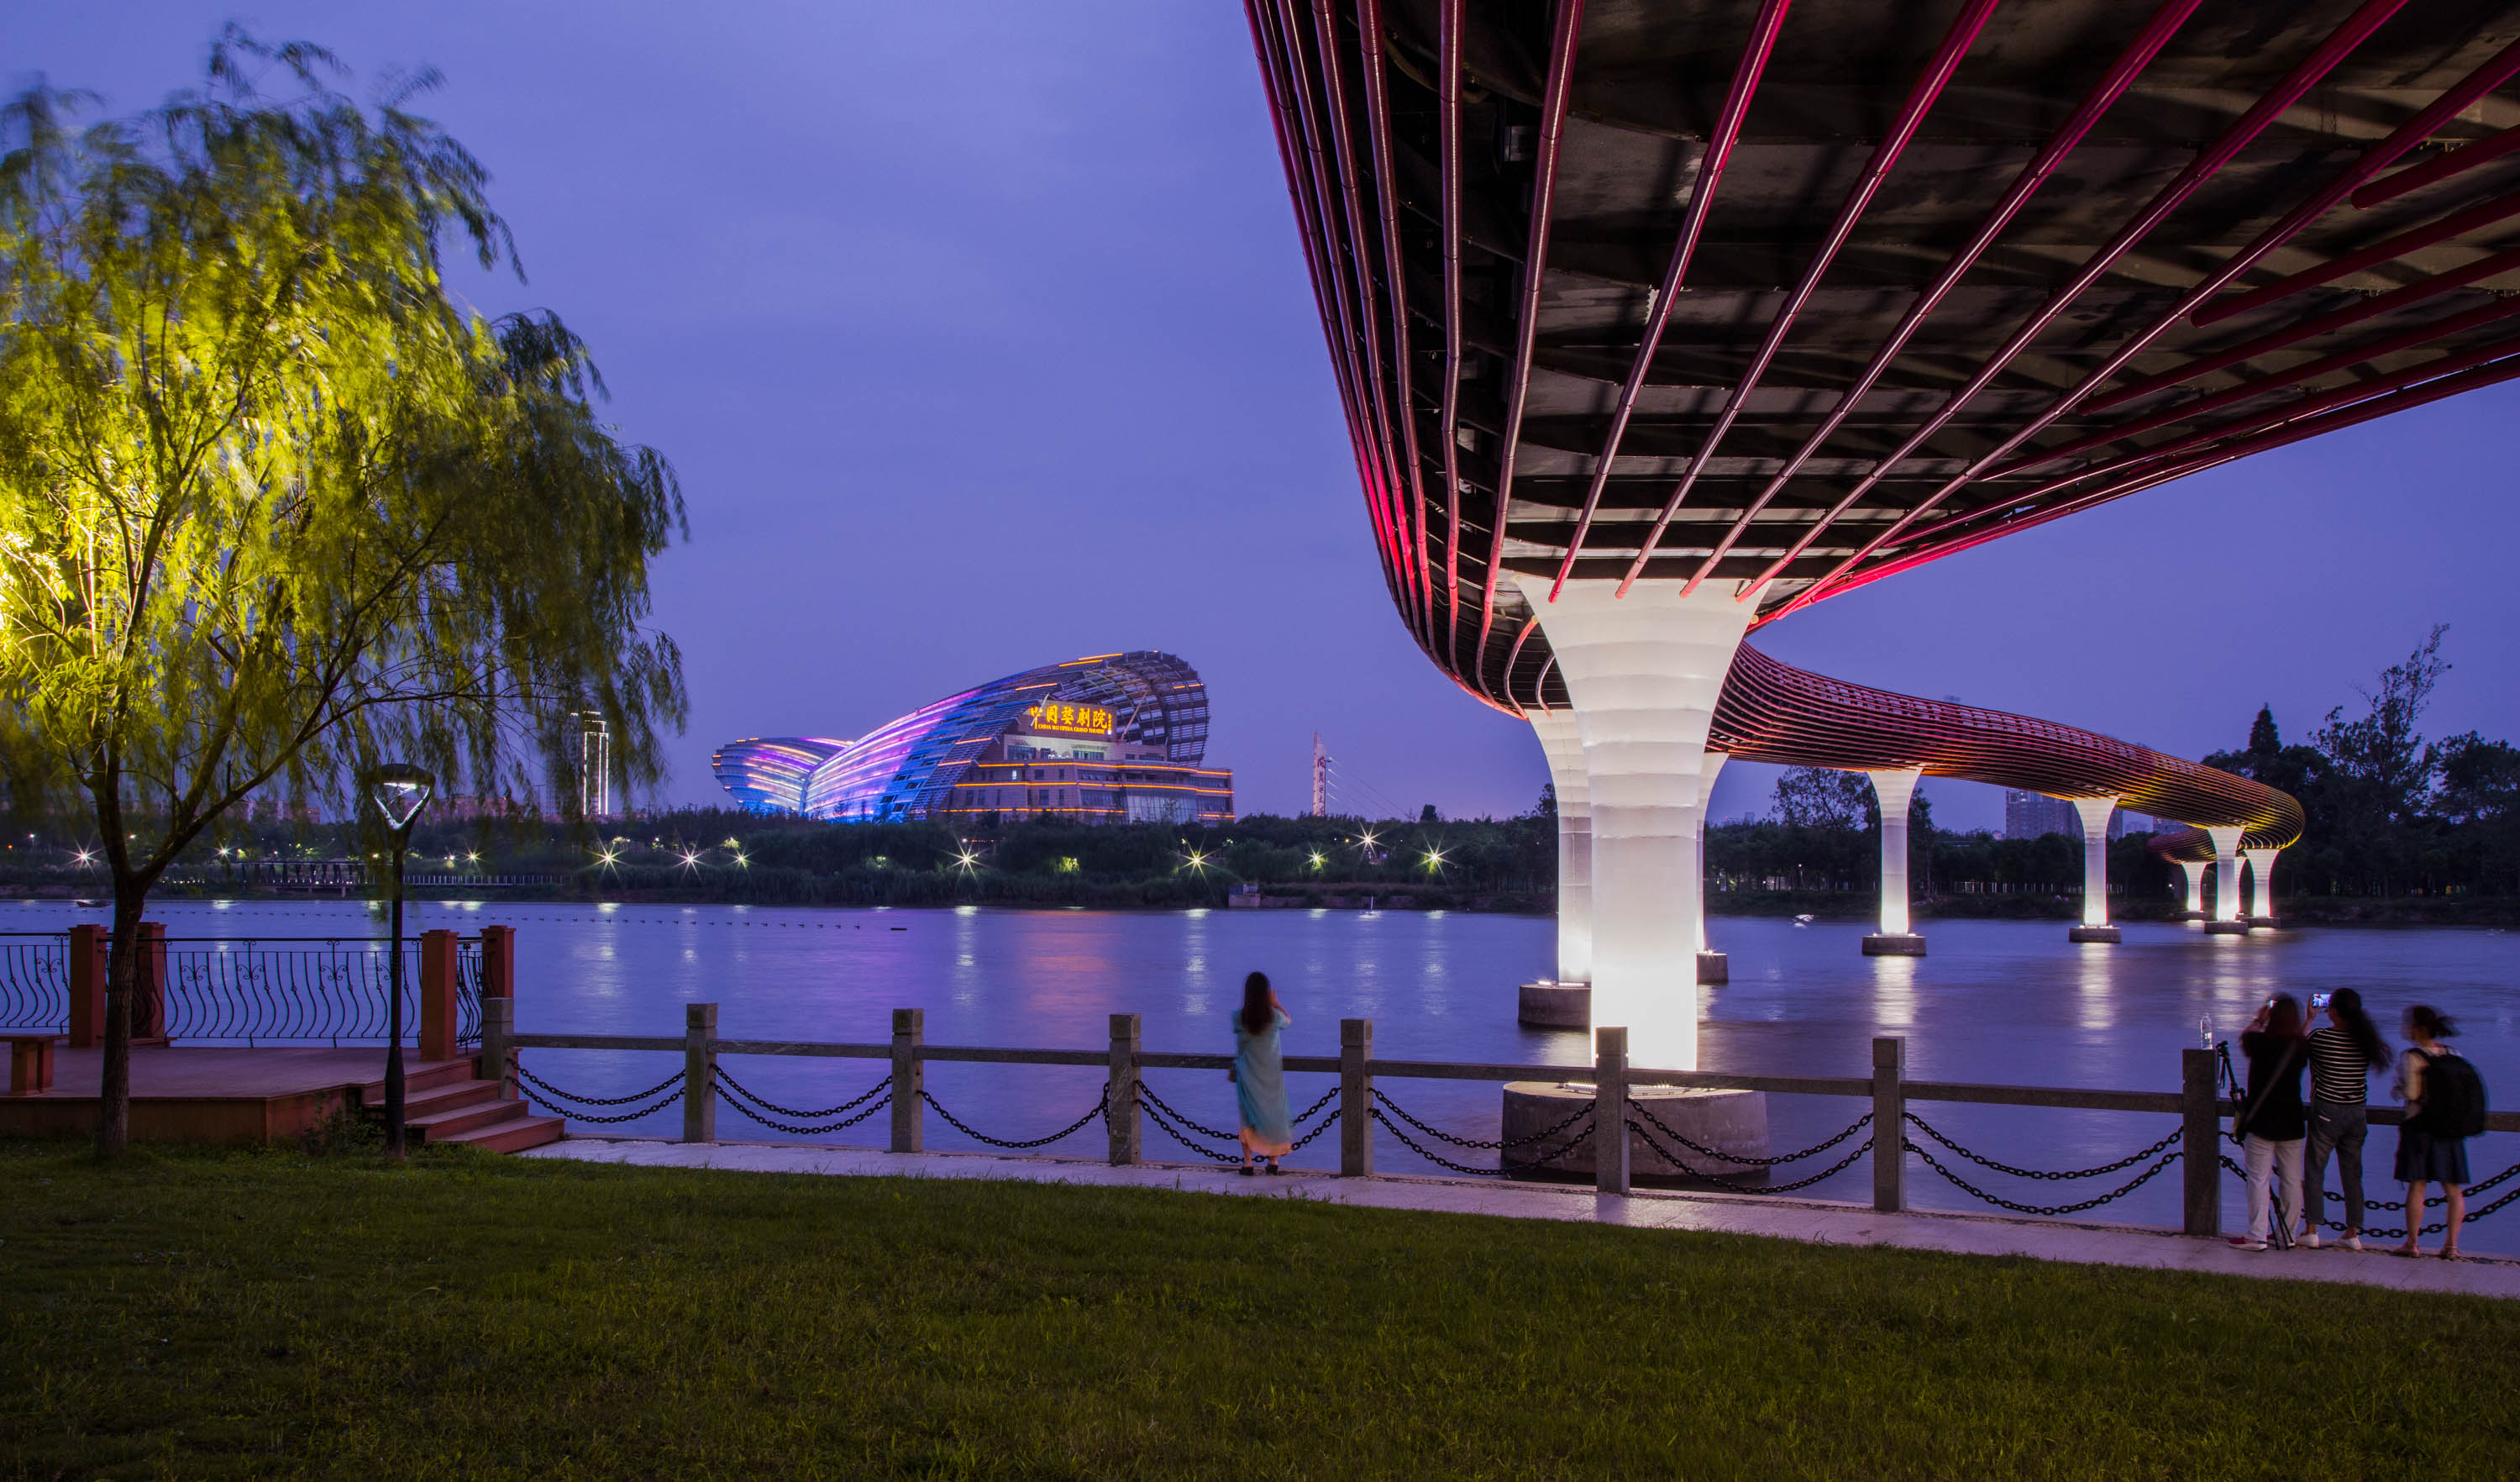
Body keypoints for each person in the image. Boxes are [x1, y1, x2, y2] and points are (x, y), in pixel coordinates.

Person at [2300, 989, 2389, 1251]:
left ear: (2334, 1011)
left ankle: (2312, 1229)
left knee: (2315, 1169)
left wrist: (2309, 1019)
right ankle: (2352, 1232)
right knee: (2352, 1173)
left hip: (2327, 1110)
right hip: (2356, 1112)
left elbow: (2297, 1047)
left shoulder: (2322, 1037)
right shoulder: (2366, 1041)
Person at [2392, 1005, 2473, 1260]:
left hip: (2420, 1129)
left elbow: (2413, 1095)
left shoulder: (2411, 1056)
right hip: (2450, 1130)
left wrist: (2399, 1087)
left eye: (2409, 1023)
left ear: (2418, 1028)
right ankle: (2451, 1246)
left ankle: (2412, 1243)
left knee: (2417, 1186)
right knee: (2453, 1190)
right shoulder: (2453, 1053)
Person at [2231, 994, 2309, 1252]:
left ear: (2271, 1017)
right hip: (2292, 1121)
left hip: (2262, 1120)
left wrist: (2258, 1018)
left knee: (2258, 1179)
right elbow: (2298, 1039)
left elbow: (2246, 1034)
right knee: (2291, 1179)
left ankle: (2257, 1235)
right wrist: (2308, 1021)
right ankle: (2287, 1234)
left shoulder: (2259, 1042)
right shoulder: (2300, 1046)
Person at [1231, 971, 1292, 1176]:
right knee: (1273, 1114)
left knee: (1247, 1116)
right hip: (1271, 1074)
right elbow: (1288, 1021)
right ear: (1266, 993)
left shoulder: (1239, 1017)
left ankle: (1248, 1163)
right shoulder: (1274, 1017)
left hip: (1247, 1072)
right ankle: (1273, 1161)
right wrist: (1276, 1003)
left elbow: (1240, 1047)